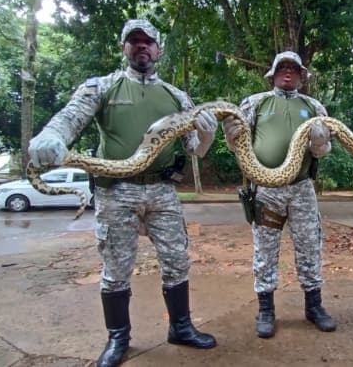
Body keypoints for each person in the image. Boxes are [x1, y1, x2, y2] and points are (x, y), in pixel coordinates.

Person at [28, 19, 218, 366]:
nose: (141, 46)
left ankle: (181, 327)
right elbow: (70, 118)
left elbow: (195, 148)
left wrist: (206, 134)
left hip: (162, 190)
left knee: (177, 261)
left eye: (148, 41)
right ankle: (118, 338)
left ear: (158, 49)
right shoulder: (103, 87)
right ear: (124, 48)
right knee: (116, 268)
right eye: (134, 41)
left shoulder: (177, 96)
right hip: (116, 192)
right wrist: (51, 136)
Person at [222, 51, 337, 338]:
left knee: (310, 246)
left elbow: (323, 150)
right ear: (272, 74)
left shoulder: (313, 106)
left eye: (294, 69)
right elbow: (237, 144)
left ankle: (314, 307)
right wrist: (230, 133)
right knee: (265, 250)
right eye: (282, 68)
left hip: (301, 189)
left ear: (301, 75)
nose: (288, 72)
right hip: (266, 190)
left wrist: (321, 144)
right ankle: (266, 310)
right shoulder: (255, 102)